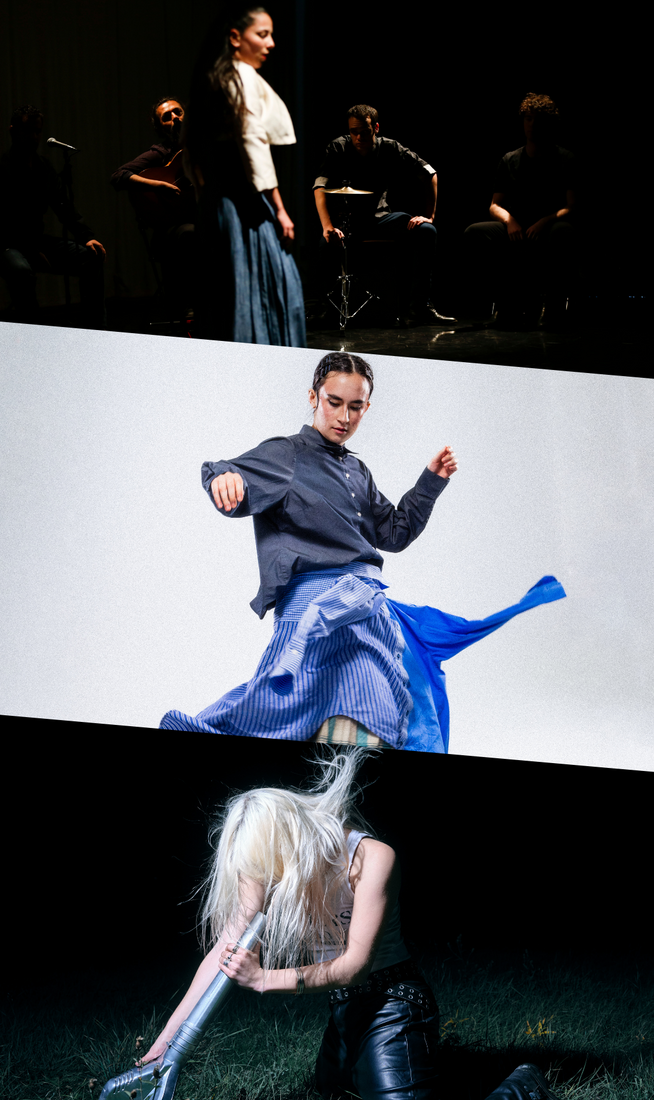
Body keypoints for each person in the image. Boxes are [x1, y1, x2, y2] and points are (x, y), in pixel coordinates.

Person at [159, 352, 566, 750]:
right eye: (334, 402)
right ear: (313, 396)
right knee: (286, 719)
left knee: (371, 724)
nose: (344, 417)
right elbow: (231, 475)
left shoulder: (357, 471)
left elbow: (394, 533)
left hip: (368, 613)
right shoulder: (287, 453)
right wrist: (223, 478)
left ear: (366, 407)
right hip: (313, 606)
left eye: (355, 407)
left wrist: (430, 482)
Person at [137, 750, 562, 1100]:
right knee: (337, 1093)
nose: (266, 880)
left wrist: (264, 979)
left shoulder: (373, 858)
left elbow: (355, 966)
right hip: (343, 1008)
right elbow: (226, 949)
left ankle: (522, 1087)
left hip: (394, 1002)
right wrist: (165, 1046)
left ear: (288, 839)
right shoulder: (266, 859)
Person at [182, 4, 305, 344]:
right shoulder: (240, 76)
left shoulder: (211, 79)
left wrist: (206, 196)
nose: (271, 43)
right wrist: (279, 208)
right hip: (243, 205)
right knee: (264, 285)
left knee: (226, 290)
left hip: (217, 206)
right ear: (235, 37)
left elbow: (191, 154)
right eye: (262, 34)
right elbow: (252, 144)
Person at [313, 105, 453, 325]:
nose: (359, 137)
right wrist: (328, 226)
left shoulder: (390, 147)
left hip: (380, 219)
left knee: (427, 231)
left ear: (376, 128)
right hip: (347, 222)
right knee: (325, 243)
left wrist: (430, 216)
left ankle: (420, 308)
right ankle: (328, 311)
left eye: (365, 132)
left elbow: (430, 173)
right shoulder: (338, 148)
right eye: (353, 132)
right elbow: (319, 187)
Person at [463, 93, 576, 328]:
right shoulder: (510, 159)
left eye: (538, 120)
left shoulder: (565, 159)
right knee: (476, 232)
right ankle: (506, 302)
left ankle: (552, 307)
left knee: (563, 231)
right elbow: (495, 205)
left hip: (548, 227)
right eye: (528, 119)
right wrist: (510, 221)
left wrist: (545, 221)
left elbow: (571, 206)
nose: (532, 125)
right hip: (518, 227)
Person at [0, 104, 106, 328]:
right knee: (21, 271)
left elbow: (63, 206)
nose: (34, 137)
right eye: (28, 131)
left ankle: (96, 331)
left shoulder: (43, 167)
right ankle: (33, 333)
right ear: (13, 131)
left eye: (37, 131)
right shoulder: (3, 167)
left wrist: (86, 236)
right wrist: (30, 250)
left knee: (91, 257)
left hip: (36, 241)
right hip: (8, 243)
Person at [110, 96, 197, 319]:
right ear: (160, 127)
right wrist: (157, 185)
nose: (175, 118)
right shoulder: (160, 152)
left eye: (178, 112)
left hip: (204, 219)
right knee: (190, 234)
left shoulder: (204, 147)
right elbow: (118, 176)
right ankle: (187, 305)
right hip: (170, 229)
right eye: (167, 117)